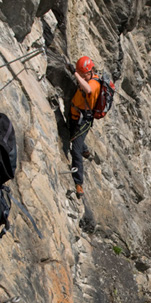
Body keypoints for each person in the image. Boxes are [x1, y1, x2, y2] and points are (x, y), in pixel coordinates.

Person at [68, 56, 101, 198]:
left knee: (75, 149)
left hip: (83, 121)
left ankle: (79, 183)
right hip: (75, 115)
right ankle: (85, 150)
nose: (81, 77)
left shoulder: (94, 83)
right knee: (72, 135)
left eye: (83, 74)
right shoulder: (87, 78)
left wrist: (75, 74)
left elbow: (87, 90)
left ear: (89, 72)